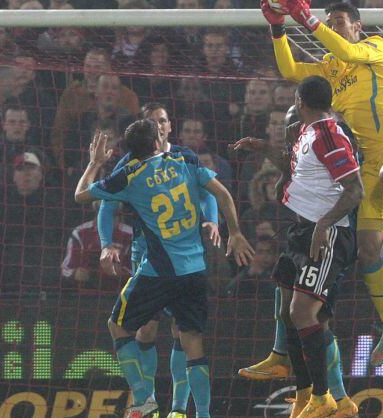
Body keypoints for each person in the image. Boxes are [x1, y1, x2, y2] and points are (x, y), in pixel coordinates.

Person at [262, 0, 383, 366]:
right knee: (368, 248)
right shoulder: (330, 69)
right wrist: (277, 27)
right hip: (370, 167)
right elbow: (289, 70)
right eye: (328, 21)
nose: (332, 26)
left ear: (357, 26)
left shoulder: (374, 48)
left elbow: (349, 53)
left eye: (338, 22)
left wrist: (309, 21)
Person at [75, 120, 252, 418]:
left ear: (131, 151)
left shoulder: (129, 176)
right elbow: (221, 193)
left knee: (117, 325)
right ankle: (204, 414)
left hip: (159, 271)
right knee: (192, 341)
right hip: (195, 269)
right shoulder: (184, 160)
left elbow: (81, 195)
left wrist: (94, 164)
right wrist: (234, 231)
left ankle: (145, 399)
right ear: (158, 141)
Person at [232, 76, 362, 417]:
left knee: (303, 313)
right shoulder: (310, 131)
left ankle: (325, 398)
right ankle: (305, 395)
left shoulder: (330, 134)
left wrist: (324, 224)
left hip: (328, 234)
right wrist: (263, 148)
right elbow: (301, 169)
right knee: (287, 309)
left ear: (300, 100)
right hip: (301, 231)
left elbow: (354, 189)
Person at [98, 103, 221, 418]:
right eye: (153, 121)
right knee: (147, 331)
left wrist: (211, 220)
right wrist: (107, 243)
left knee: (184, 330)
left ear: (169, 126)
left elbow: (208, 193)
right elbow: (106, 206)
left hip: (185, 252)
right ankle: (147, 401)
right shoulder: (131, 163)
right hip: (148, 256)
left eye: (163, 120)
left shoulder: (183, 157)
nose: (160, 125)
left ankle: (179, 409)